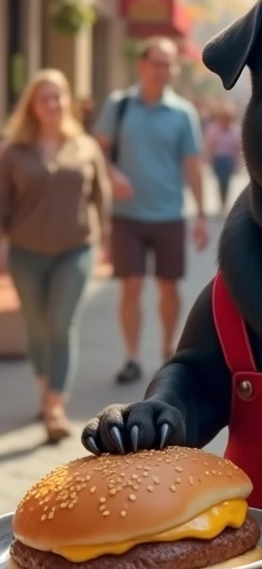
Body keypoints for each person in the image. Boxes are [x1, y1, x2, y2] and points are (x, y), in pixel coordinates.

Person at [0, 70, 110, 442]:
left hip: (76, 249)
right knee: (37, 329)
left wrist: (104, 240)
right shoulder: (13, 151)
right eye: (44, 97)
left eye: (59, 96)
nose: (53, 104)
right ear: (31, 105)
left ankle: (54, 407)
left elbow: (100, 195)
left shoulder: (83, 145)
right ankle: (46, 386)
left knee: (61, 327)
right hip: (25, 252)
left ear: (68, 102)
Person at [94, 37, 208, 385]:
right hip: (127, 215)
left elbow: (192, 166)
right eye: (157, 62)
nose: (164, 70)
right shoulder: (120, 105)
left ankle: (166, 352)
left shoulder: (183, 113)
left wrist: (201, 215)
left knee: (168, 287)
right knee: (130, 285)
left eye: (169, 64)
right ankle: (131, 356)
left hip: (169, 214)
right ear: (141, 65)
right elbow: (97, 152)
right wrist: (112, 175)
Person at [205, 103, 242, 214]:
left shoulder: (235, 130)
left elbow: (237, 148)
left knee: (227, 182)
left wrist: (238, 163)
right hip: (218, 159)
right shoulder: (213, 129)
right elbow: (210, 145)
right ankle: (221, 202)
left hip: (229, 160)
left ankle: (224, 203)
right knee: (220, 182)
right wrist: (209, 159)